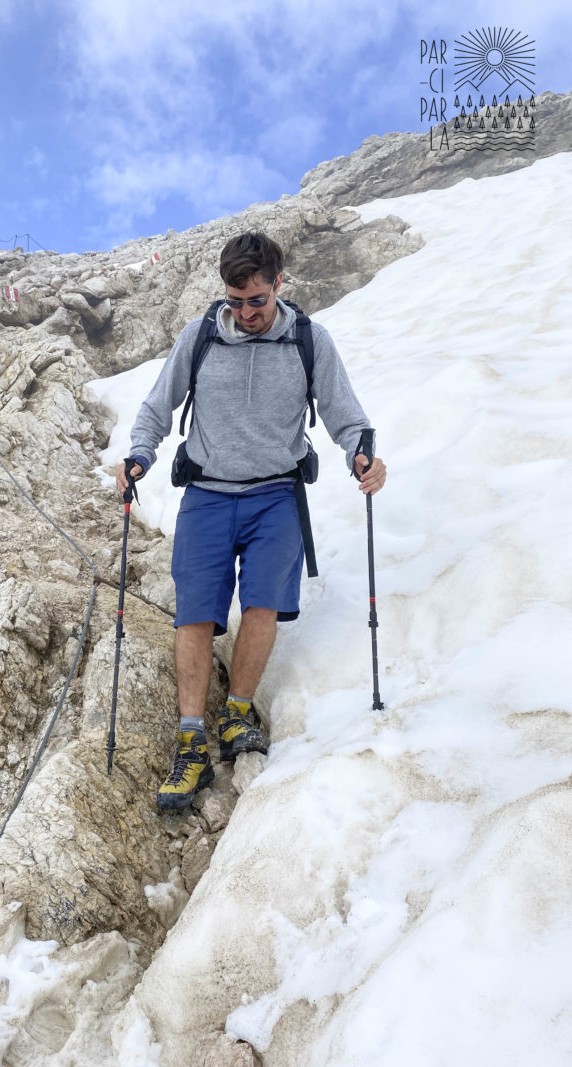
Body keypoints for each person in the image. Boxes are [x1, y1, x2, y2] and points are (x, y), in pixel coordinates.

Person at [116, 232, 386, 812]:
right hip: (207, 496)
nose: (245, 313)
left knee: (262, 604)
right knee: (196, 613)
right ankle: (192, 741)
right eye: (236, 301)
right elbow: (158, 405)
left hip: (276, 498)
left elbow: (346, 415)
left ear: (278, 285)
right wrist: (140, 454)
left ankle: (238, 714)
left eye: (256, 301)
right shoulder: (203, 334)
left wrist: (361, 453)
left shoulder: (309, 341)